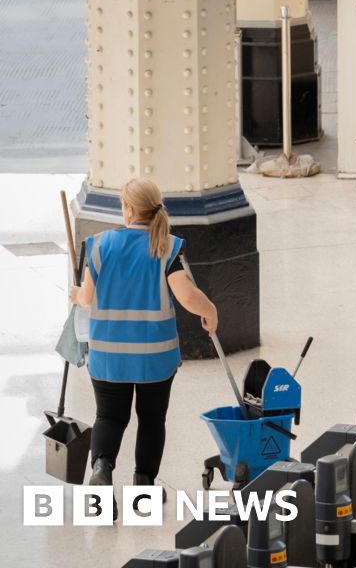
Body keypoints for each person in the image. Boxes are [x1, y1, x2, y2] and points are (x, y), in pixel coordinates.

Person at [71, 178, 218, 520]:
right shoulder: (166, 247)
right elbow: (187, 297)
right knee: (152, 420)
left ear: (128, 209)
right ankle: (143, 487)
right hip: (155, 358)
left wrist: (75, 293)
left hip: (108, 357)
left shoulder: (100, 245)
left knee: (109, 417)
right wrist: (210, 311)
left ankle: (102, 471)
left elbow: (87, 298)